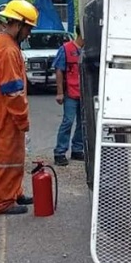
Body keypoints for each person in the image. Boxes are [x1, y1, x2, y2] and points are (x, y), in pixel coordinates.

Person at [0, 0, 39, 215]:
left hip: (4, 112)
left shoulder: (6, 44)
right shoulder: (8, 50)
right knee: (6, 160)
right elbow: (13, 91)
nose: (28, 34)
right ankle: (2, 202)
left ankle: (14, 193)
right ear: (18, 24)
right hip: (6, 114)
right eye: (28, 29)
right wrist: (22, 119)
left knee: (14, 158)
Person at [53, 26, 85, 166]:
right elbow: (59, 70)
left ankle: (77, 149)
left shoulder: (88, 51)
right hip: (70, 93)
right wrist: (60, 92)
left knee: (83, 123)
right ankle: (60, 152)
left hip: (84, 94)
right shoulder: (65, 49)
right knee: (68, 121)